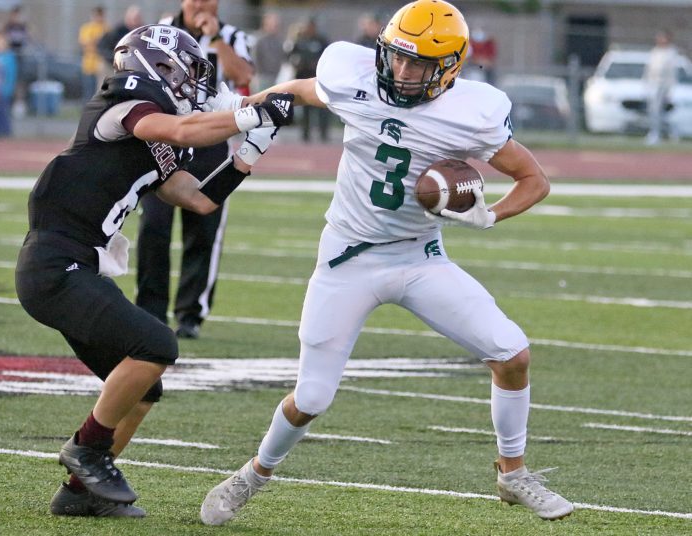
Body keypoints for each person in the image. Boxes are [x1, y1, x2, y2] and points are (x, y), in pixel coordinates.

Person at [199, 0, 574, 525]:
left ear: (449, 69)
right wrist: (242, 112)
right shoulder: (353, 79)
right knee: (311, 397)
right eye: (397, 57)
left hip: (420, 258)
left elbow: (534, 179)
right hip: (347, 260)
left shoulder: (471, 113)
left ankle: (512, 473)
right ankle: (253, 474)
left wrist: (489, 217)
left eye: (419, 64)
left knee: (512, 354)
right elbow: (301, 90)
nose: (402, 71)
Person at [14, 24, 293, 518]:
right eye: (185, 74)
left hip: (77, 267)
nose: (192, 88)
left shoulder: (156, 135)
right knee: (158, 345)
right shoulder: (122, 101)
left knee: (146, 385)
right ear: (154, 67)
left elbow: (197, 199)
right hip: (56, 263)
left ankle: (80, 493)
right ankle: (87, 449)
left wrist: (249, 153)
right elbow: (184, 129)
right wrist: (248, 112)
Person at [135, 0, 254, 340]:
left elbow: (244, 76)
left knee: (203, 230)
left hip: (210, 143)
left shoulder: (231, 35)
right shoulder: (162, 29)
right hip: (166, 138)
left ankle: (190, 314)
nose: (201, 3)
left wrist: (215, 40)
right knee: (154, 227)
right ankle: (149, 311)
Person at [284, 17, 330, 142]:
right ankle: (305, 134)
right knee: (306, 109)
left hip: (318, 79)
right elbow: (289, 55)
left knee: (321, 108)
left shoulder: (321, 40)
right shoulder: (299, 39)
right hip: (303, 78)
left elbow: (328, 55)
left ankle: (323, 134)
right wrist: (297, 63)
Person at [644, 30, 679, 145]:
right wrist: (646, 84)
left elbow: (672, 72)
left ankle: (663, 133)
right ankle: (656, 133)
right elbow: (648, 69)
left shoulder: (671, 52)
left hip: (664, 85)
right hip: (653, 84)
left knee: (660, 111)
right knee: (654, 110)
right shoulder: (655, 52)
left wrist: (670, 89)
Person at [97, 5, 143, 72]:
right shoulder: (117, 31)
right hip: (111, 66)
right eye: (134, 18)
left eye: (138, 18)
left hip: (131, 68)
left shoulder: (142, 32)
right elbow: (102, 46)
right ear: (127, 18)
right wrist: (113, 58)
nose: (136, 21)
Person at [78, 6, 108, 102]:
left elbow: (107, 42)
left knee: (100, 92)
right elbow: (85, 42)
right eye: (96, 15)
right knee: (88, 93)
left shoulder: (106, 28)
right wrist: (97, 41)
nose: (98, 17)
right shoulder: (87, 28)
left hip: (102, 66)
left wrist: (95, 41)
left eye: (100, 15)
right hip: (89, 65)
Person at [0, 32, 17, 138]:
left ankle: (6, 132)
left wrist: (6, 87)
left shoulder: (9, 57)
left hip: (4, 89)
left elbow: (10, 74)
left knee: (3, 111)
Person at [253, 12, 284, 92]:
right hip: (262, 77)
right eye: (273, 25)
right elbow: (255, 58)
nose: (275, 27)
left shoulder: (278, 41)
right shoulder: (259, 39)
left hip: (275, 77)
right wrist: (259, 75)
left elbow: (280, 57)